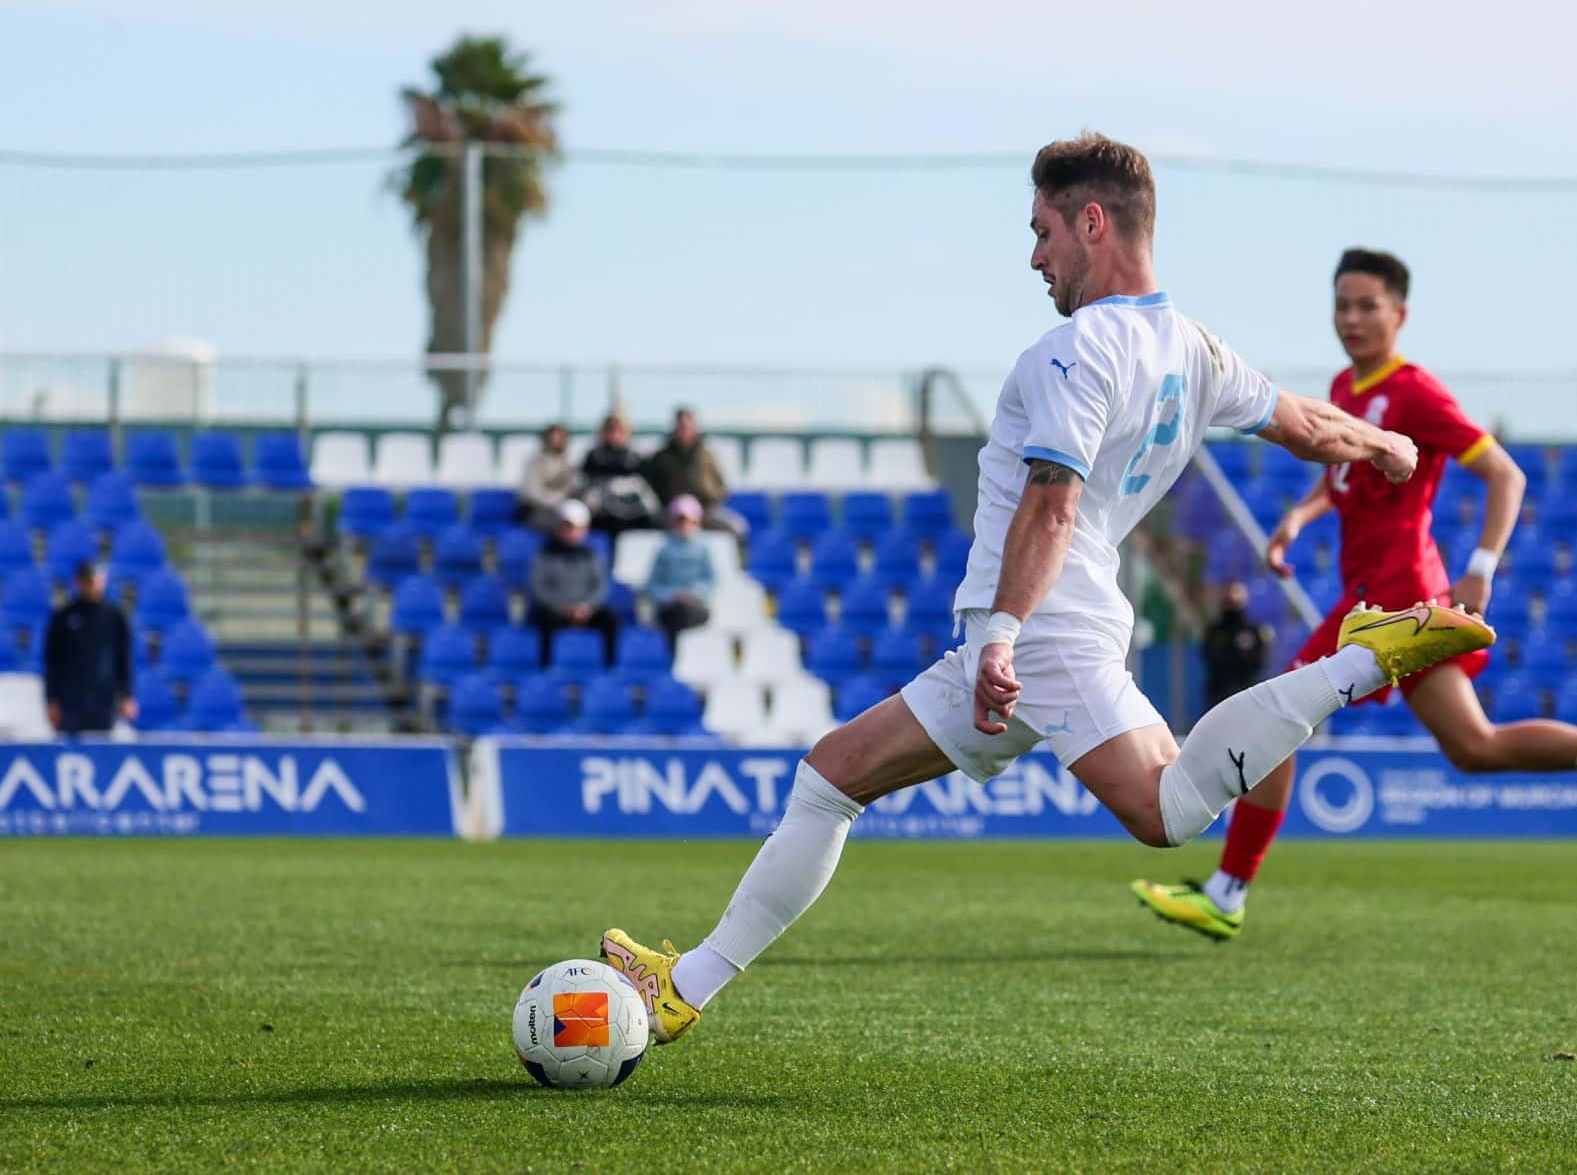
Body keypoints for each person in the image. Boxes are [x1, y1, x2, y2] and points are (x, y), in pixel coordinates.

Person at [599, 132, 1497, 1047]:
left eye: (1042, 231)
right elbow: (1305, 424)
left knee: (1163, 810)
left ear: (1092, 222)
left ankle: (1355, 665)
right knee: (834, 776)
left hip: (1040, 626)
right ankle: (686, 986)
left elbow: (1053, 503)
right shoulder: (1195, 348)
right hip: (1061, 615)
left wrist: (1000, 633)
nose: (1035, 256)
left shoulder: (1074, 349)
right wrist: (1383, 444)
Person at [1132, 247, 1577, 943]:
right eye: (1342, 305)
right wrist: (1300, 517)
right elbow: (1345, 471)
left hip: (1394, 598)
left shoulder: (1415, 392)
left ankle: (1227, 892)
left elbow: (1507, 475)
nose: (1351, 319)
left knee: (1279, 717)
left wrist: (1482, 567)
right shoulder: (1346, 386)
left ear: (1399, 314)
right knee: (1474, 747)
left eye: (1366, 306)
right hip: (1377, 596)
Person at [43, 561, 135, 735]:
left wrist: (126, 695)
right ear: (78, 582)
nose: (90, 586)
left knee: (101, 744)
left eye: (93, 580)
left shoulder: (114, 617)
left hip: (104, 699)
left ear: (102, 581)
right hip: (70, 701)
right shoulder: (63, 617)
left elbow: (124, 659)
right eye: (86, 581)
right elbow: (52, 662)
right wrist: (51, 700)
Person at [526, 500, 617, 666]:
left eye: (575, 527)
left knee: (610, 619)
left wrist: (586, 607)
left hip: (585, 611)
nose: (570, 532)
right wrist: (563, 607)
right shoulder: (545, 555)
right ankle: (546, 667)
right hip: (556, 611)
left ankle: (609, 667)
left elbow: (599, 586)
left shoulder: (591, 555)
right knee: (546, 620)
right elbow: (538, 588)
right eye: (566, 526)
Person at [642, 408, 747, 541]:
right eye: (681, 426)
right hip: (673, 514)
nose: (684, 430)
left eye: (687, 426)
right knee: (650, 527)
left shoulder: (707, 455)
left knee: (737, 527)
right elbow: (651, 487)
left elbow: (721, 485)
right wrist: (677, 507)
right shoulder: (661, 457)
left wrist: (705, 505)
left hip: (706, 512)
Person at [645, 495, 716, 646]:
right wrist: (672, 595)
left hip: (696, 607)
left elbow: (712, 581)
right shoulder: (664, 550)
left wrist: (692, 593)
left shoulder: (704, 549)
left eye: (688, 521)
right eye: (680, 521)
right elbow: (652, 585)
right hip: (669, 608)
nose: (684, 526)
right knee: (676, 616)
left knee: (684, 615)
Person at [581, 413, 661, 537]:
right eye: (610, 430)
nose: (614, 435)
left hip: (633, 517)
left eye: (619, 430)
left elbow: (645, 490)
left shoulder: (636, 458)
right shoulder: (593, 457)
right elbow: (587, 486)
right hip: (601, 519)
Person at [1202, 581, 1269, 708]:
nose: (1233, 598)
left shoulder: (1254, 630)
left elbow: (1259, 660)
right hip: (1220, 690)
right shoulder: (1216, 630)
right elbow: (1209, 656)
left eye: (1237, 594)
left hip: (1247, 690)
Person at [520, 424, 581, 532]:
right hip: (537, 509)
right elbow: (532, 493)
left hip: (564, 509)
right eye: (552, 439)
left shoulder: (569, 462)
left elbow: (574, 487)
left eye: (560, 438)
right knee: (562, 524)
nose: (556, 442)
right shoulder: (535, 461)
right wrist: (559, 500)